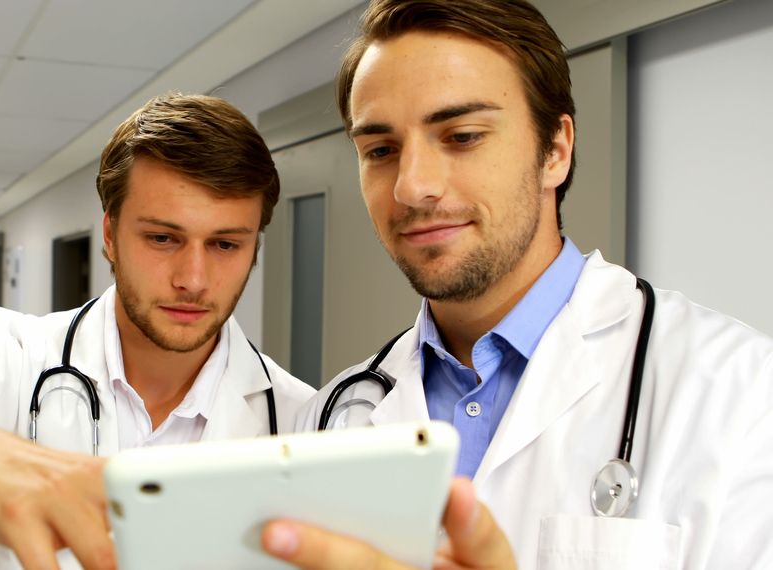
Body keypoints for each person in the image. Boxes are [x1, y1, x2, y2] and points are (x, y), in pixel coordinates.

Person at [274, 0, 773, 568]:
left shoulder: (740, 393)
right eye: (381, 151)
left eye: (461, 135)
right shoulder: (330, 418)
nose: (411, 187)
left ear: (555, 151)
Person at [0, 93, 315, 570]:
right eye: (163, 238)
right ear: (111, 237)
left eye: (225, 245)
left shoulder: (302, 419)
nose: (193, 279)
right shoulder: (11, 356)